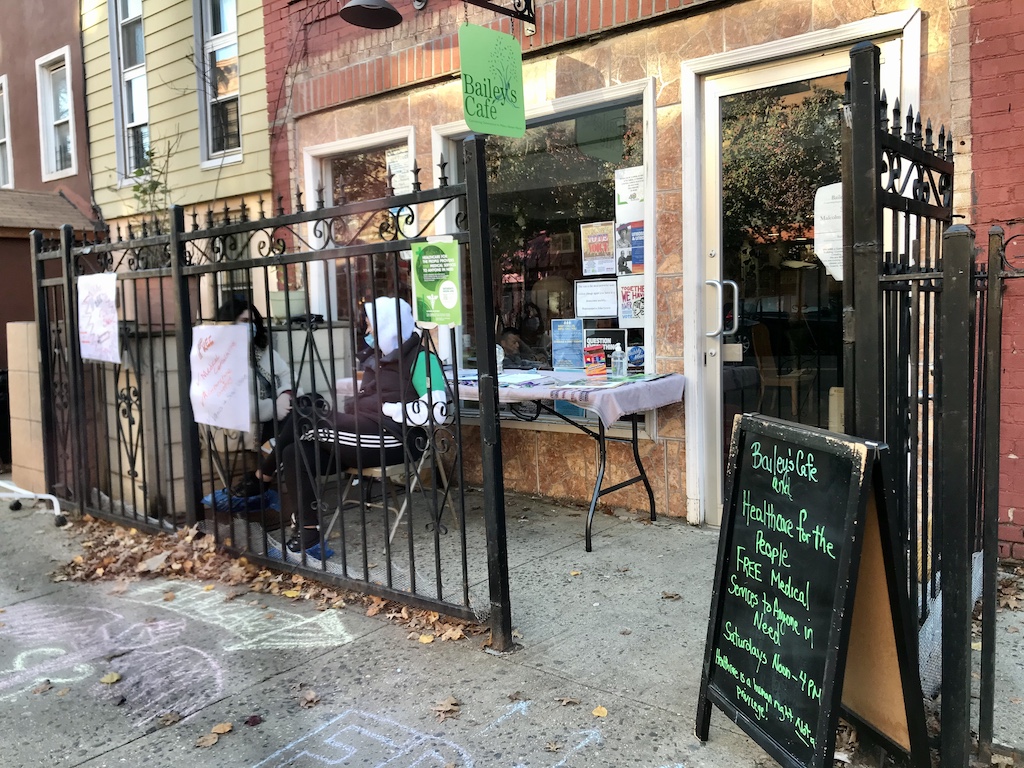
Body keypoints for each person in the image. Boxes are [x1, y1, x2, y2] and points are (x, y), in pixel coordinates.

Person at [280, 296, 423, 555]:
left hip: (391, 438)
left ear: (389, 326)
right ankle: (309, 531)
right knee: (295, 452)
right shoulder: (376, 357)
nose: (367, 332)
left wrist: (398, 411)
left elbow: (435, 408)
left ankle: (259, 480)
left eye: (371, 326)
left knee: (305, 414)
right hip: (361, 432)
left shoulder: (419, 358)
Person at [213, 297, 297, 499]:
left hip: (281, 415)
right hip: (246, 425)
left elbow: (290, 378)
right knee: (299, 423)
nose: (249, 326)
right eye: (243, 321)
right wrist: (274, 408)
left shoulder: (264, 351)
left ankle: (262, 476)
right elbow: (234, 406)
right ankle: (271, 468)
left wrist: (285, 396)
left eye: (252, 321)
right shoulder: (219, 357)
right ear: (228, 324)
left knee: (311, 402)